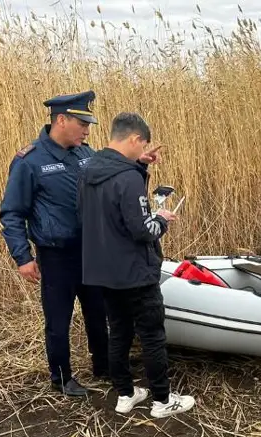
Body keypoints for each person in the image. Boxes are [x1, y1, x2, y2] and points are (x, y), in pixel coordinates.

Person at [77, 112, 195, 418]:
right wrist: (161, 219)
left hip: (102, 271)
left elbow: (97, 212)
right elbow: (143, 230)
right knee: (152, 335)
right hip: (135, 273)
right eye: (141, 144)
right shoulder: (127, 178)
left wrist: (141, 165)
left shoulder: (89, 169)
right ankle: (162, 400)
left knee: (118, 333)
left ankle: (126, 395)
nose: (142, 149)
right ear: (134, 139)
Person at [0, 90, 109, 397]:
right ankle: (61, 378)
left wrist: (138, 163)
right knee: (58, 320)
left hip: (91, 252)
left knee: (98, 313)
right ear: (62, 120)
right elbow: (12, 213)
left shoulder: (86, 154)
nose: (87, 130)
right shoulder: (30, 161)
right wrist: (22, 257)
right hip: (57, 256)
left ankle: (104, 366)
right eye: (82, 123)